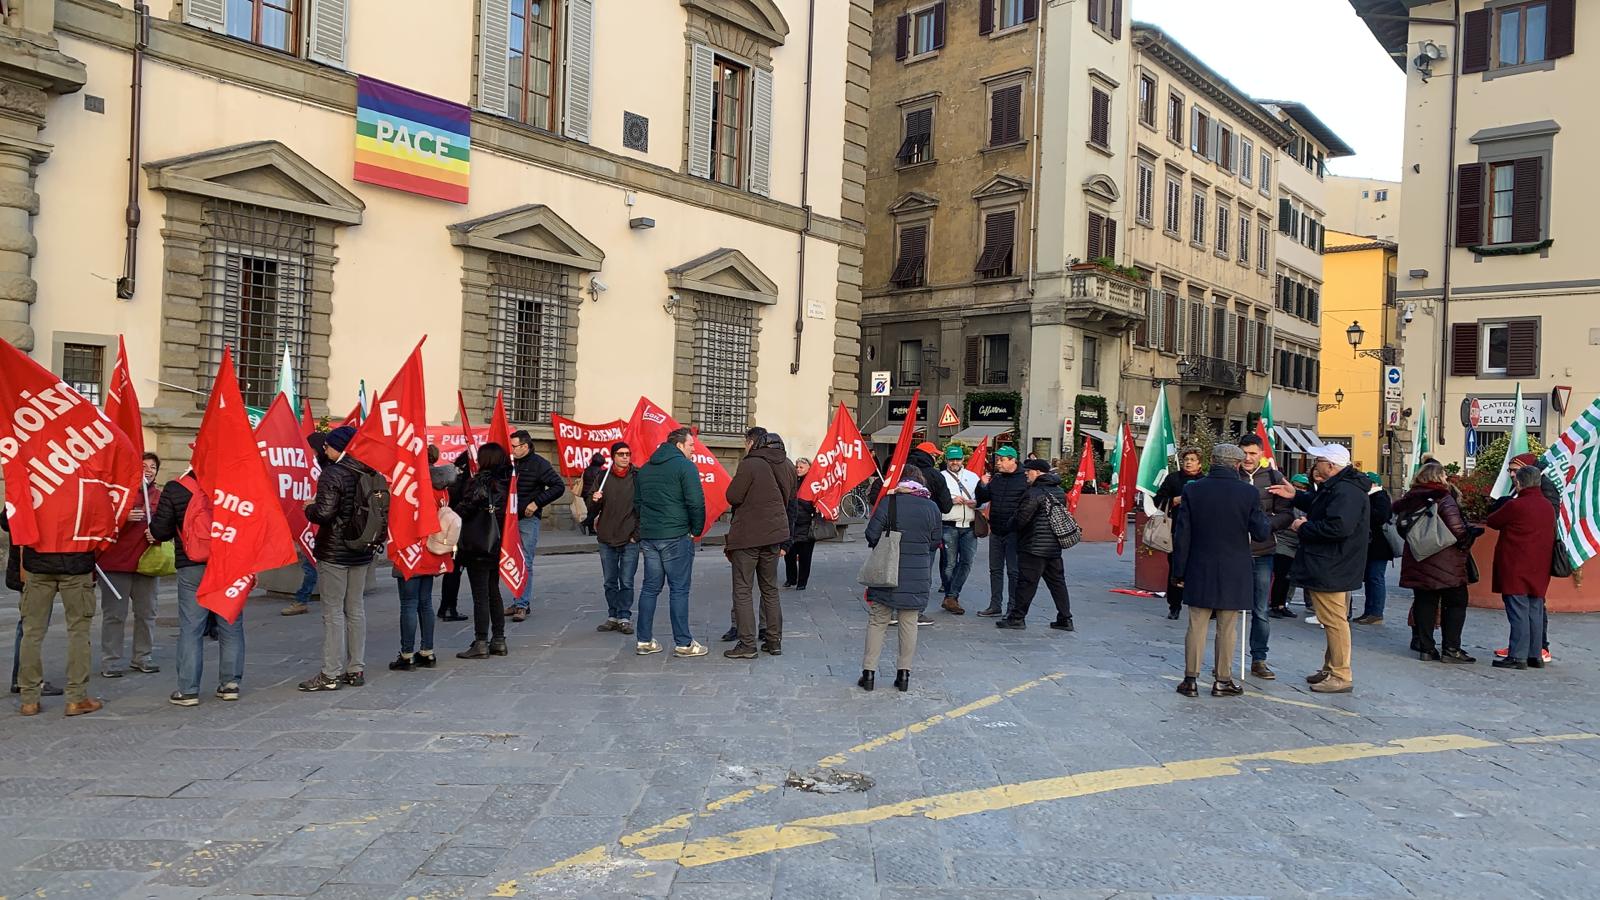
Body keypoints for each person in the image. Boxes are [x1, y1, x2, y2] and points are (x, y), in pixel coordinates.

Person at [1171, 444, 1272, 698]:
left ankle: (1190, 680)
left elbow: (1183, 535)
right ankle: (1222, 680)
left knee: (1197, 624)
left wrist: (1178, 571)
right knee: (1228, 626)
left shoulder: (1192, 490)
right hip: (1234, 566)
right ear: (1237, 464)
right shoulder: (1248, 493)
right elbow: (1260, 531)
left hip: (1199, 564)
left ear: (1212, 461)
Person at [1269, 443, 1368, 694]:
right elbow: (1321, 504)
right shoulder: (1342, 487)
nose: (1315, 465)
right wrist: (1296, 496)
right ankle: (1330, 667)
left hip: (1333, 563)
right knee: (1333, 619)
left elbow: (1337, 527)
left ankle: (1340, 674)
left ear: (1331, 466)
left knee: (1334, 621)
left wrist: (1303, 527)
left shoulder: (1345, 491)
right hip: (1336, 562)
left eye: (1319, 460)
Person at [151, 463, 243, 707]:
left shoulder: (175, 488)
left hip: (191, 565)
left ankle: (188, 690)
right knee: (230, 625)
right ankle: (230, 684)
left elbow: (160, 530)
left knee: (191, 628)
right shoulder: (233, 486)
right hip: (228, 564)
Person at [299, 425, 380, 691]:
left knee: (333, 611)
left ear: (340, 446)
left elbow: (324, 513)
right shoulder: (370, 469)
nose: (325, 449)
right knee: (355, 609)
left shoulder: (333, 473)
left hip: (335, 550)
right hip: (362, 548)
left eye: (329, 445)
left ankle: (330, 673)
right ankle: (356, 669)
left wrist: (308, 508)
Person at [859, 468, 943, 693]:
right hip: (917, 572)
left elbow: (871, 533)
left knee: (878, 621)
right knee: (909, 622)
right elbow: (936, 540)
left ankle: (869, 674)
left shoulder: (890, 502)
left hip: (887, 570)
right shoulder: (932, 507)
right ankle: (903, 675)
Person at [633, 427, 708, 658]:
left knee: (649, 587)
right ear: (679, 446)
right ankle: (684, 643)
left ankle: (644, 640)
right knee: (679, 589)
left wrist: (645, 527)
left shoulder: (644, 469)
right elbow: (696, 502)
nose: (693, 450)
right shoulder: (685, 467)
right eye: (691, 445)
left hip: (650, 535)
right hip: (676, 535)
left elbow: (637, 503)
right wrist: (696, 529)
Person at [1393, 461, 1477, 663]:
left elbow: (1401, 528)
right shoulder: (1443, 498)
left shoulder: (1409, 499)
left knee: (1424, 602)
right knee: (1456, 603)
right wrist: (1468, 540)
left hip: (1418, 558)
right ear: (1438, 477)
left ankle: (1426, 648)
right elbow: (1457, 530)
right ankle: (1451, 649)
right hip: (1445, 560)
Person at [723, 429, 797, 660]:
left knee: (743, 589)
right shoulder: (788, 465)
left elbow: (733, 496)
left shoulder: (751, 464)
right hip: (775, 534)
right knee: (770, 588)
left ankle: (747, 644)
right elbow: (790, 499)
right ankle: (774, 641)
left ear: (753, 443)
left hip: (749, 535)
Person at [96, 452, 164, 678]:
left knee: (147, 614)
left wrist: (159, 534)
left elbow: (169, 525)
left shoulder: (160, 497)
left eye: (153, 466)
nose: (148, 469)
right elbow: (98, 523)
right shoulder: (117, 495)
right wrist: (122, 519)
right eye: (143, 465)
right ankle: (111, 661)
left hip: (147, 564)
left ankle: (143, 657)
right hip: (116, 564)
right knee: (115, 615)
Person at [1485, 465, 1556, 671]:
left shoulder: (1516, 505)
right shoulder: (1547, 506)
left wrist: (1508, 500)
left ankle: (1517, 656)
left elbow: (1493, 521)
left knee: (1517, 611)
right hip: (1540, 565)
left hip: (1515, 564)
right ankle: (1535, 655)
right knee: (1535, 610)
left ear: (1519, 482)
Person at [389, 464, 459, 671]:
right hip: (431, 550)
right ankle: (427, 651)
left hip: (410, 549)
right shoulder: (442, 489)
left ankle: (407, 654)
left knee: (408, 604)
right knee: (425, 603)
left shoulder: (415, 489)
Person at [996, 459, 1076, 631]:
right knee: (1057, 583)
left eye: (1029, 471)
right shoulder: (1060, 492)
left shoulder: (1033, 493)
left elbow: (1021, 519)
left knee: (1026, 583)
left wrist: (1008, 527)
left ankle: (1017, 618)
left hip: (1033, 546)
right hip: (1053, 547)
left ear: (1038, 473)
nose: (1026, 473)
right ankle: (1065, 618)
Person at [1238, 436, 1293, 679]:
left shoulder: (1273, 478)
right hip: (1234, 551)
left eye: (1252, 453)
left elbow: (1286, 514)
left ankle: (1259, 658)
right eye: (1244, 453)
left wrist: (1265, 526)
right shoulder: (1231, 475)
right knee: (1227, 608)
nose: (1248, 458)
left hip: (1262, 551)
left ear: (1261, 453)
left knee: (1261, 609)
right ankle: (1226, 656)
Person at [454, 442, 513, 659]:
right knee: (494, 591)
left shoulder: (478, 483)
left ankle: (480, 642)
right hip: (499, 545)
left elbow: (463, 511)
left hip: (478, 546)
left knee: (481, 596)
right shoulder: (508, 484)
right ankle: (499, 640)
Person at [505, 430, 566, 623]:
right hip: (508, 519)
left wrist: (536, 503)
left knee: (525, 562)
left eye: (514, 446)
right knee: (510, 561)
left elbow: (558, 486)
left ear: (525, 446)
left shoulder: (540, 464)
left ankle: (522, 604)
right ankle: (517, 600)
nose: (512, 449)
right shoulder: (509, 462)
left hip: (527, 519)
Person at [5, 512, 62, 699]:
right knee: (31, 627)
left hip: (33, 567)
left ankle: (21, 678)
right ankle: (28, 680)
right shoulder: (24, 493)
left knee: (29, 626)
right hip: (32, 568)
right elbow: (6, 521)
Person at [591, 441, 640, 635]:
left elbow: (645, 507)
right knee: (610, 580)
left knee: (626, 581)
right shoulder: (602, 477)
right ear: (613, 457)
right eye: (621, 454)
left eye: (628, 454)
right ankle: (612, 615)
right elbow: (591, 508)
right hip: (606, 537)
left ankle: (624, 617)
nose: (625, 457)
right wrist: (594, 500)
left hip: (629, 539)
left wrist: (637, 535)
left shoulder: (637, 477)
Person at [905, 442, 953, 627]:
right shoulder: (935, 475)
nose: (936, 457)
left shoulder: (900, 469)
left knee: (899, 569)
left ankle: (893, 609)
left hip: (898, 528)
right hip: (926, 531)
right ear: (928, 455)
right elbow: (946, 506)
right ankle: (917, 612)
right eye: (934, 454)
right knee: (923, 571)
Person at [1154, 448, 1206, 619]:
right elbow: (1157, 500)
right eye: (1186, 459)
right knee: (1176, 568)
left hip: (1199, 532)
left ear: (1200, 463)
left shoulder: (1206, 481)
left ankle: (1200, 604)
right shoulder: (1173, 479)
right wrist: (1173, 500)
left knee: (1199, 569)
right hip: (1176, 530)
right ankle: (1174, 606)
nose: (1188, 462)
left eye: (1192, 459)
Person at [283, 432, 331, 617]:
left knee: (312, 565)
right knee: (312, 564)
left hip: (321, 524)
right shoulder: (312, 466)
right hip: (312, 522)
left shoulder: (327, 470)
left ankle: (302, 600)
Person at [975, 446, 1026, 618]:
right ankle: (995, 605)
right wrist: (981, 485)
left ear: (1013, 460)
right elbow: (983, 498)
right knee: (995, 569)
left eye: (1002, 459)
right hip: (996, 531)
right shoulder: (996, 479)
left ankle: (1012, 607)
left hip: (1014, 533)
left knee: (1013, 571)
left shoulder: (1024, 479)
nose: (998, 463)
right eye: (997, 459)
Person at [937, 445, 981, 616]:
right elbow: (935, 501)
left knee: (967, 562)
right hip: (949, 525)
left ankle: (951, 595)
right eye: (951, 459)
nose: (955, 462)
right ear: (946, 460)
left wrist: (977, 503)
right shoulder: (940, 478)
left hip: (969, 526)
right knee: (948, 563)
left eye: (958, 459)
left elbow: (984, 500)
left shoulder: (972, 477)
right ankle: (951, 597)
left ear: (963, 460)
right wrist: (951, 500)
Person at [1354, 472, 1395, 625]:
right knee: (1371, 579)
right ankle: (1369, 611)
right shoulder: (1370, 497)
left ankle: (1376, 612)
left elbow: (1380, 517)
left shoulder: (1380, 497)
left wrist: (1364, 510)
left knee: (1375, 578)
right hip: (1372, 546)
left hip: (1379, 546)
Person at [436, 450, 472, 623]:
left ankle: (445, 607)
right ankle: (450, 608)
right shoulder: (466, 482)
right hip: (459, 530)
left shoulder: (451, 477)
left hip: (449, 528)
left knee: (452, 570)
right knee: (455, 571)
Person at [1269, 474, 1312, 618]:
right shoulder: (1285, 500)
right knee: (1281, 574)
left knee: (1288, 576)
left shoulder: (1306, 501)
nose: (1299, 489)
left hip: (1297, 542)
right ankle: (1275, 604)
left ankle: (1283, 604)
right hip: (1283, 540)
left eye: (1302, 487)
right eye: (1297, 485)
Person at [785, 458, 817, 591]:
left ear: (809, 468)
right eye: (797, 467)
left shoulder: (814, 483)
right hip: (791, 523)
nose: (798, 469)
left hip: (806, 525)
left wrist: (801, 502)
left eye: (801, 467)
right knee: (789, 554)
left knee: (805, 556)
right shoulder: (792, 481)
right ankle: (791, 579)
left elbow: (815, 503)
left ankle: (802, 582)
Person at [579, 451, 608, 536]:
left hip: (585, 493)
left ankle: (591, 530)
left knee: (590, 511)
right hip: (593, 493)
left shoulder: (587, 469)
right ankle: (584, 524)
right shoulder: (600, 471)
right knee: (594, 512)